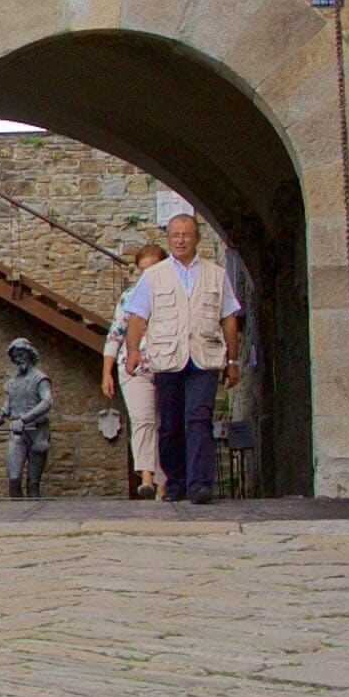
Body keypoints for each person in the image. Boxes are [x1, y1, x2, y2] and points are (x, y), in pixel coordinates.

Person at [120, 213, 242, 505]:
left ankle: (200, 484)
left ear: (196, 237)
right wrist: (133, 351)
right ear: (168, 239)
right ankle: (175, 483)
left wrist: (233, 361)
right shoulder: (153, 276)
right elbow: (137, 317)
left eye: (186, 235)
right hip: (167, 358)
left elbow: (228, 318)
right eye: (175, 235)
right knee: (171, 424)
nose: (180, 240)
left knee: (198, 419)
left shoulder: (216, 273)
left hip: (204, 357)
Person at [103, 239, 168, 499]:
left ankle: (164, 481)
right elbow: (115, 334)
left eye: (153, 269)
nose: (147, 276)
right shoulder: (130, 297)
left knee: (165, 423)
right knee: (143, 419)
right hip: (134, 367)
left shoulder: (172, 295)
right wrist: (106, 371)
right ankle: (147, 476)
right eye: (143, 270)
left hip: (166, 364)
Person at [0, 338, 53, 497]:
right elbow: (4, 413)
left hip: (38, 433)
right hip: (18, 435)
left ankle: (34, 519)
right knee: (14, 477)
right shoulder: (13, 383)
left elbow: (47, 402)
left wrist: (23, 420)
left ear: (29, 355)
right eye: (15, 357)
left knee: (33, 482)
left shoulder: (40, 379)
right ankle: (16, 514)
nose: (18, 359)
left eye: (21, 355)